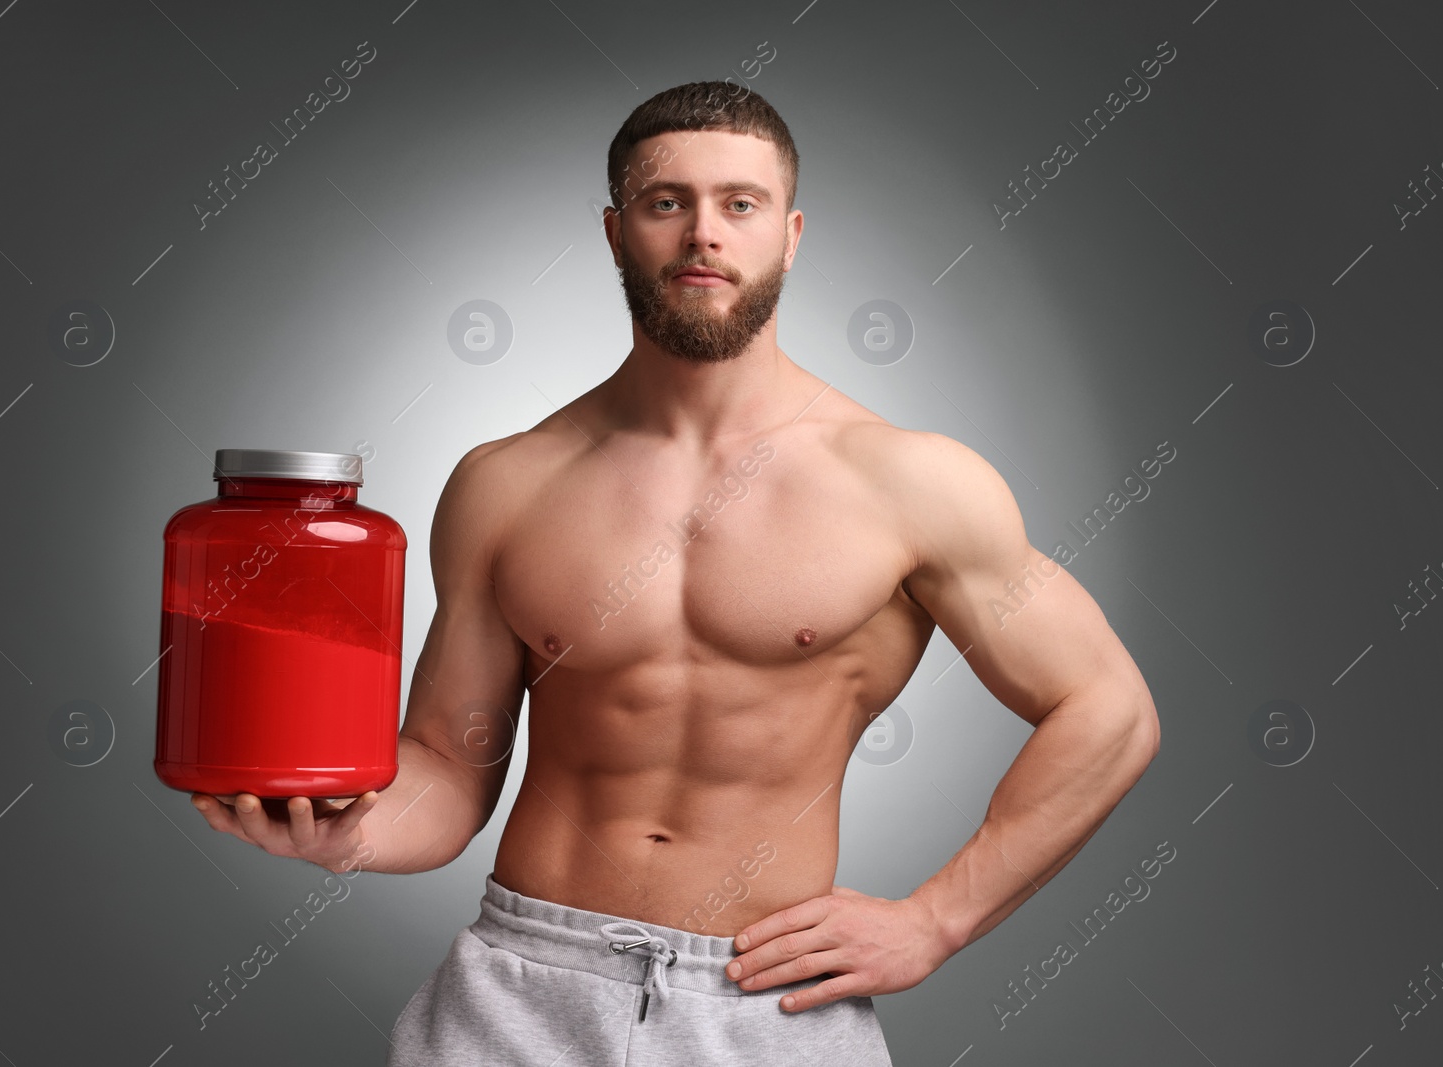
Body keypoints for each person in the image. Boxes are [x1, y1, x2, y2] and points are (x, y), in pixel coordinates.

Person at [190, 80, 1160, 1065]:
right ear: (616, 232)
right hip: (520, 990)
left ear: (789, 233)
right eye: (667, 202)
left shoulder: (909, 482)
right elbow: (447, 763)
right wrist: (346, 834)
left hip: (765, 1000)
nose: (704, 233)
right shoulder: (507, 483)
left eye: (738, 204)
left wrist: (936, 918)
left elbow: (1107, 706)